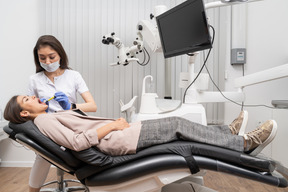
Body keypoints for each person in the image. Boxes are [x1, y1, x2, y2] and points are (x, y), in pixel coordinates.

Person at [4, 95, 278, 159]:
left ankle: (228, 133)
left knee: (179, 125)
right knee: (178, 125)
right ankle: (243, 143)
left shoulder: (49, 115)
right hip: (116, 140)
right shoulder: (44, 119)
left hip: (120, 133)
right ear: (25, 112)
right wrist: (114, 124)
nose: (34, 96)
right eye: (27, 99)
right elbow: (77, 143)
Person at [27, 35, 97, 192]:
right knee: (43, 154)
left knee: (85, 151)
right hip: (48, 127)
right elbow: (29, 111)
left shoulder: (73, 76)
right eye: (42, 58)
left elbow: (92, 106)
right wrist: (41, 108)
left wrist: (70, 105)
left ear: (60, 54)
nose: (48, 62)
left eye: (52, 57)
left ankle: (94, 187)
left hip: (71, 123)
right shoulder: (34, 80)